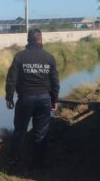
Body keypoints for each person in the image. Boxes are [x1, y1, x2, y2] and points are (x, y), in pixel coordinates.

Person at [5, 28, 60, 167]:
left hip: (25, 99)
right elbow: (55, 82)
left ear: (28, 40)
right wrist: (54, 100)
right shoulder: (49, 57)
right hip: (44, 99)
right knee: (41, 133)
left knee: (20, 130)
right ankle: (38, 163)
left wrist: (9, 97)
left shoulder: (20, 57)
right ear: (41, 40)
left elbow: (11, 79)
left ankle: (13, 160)